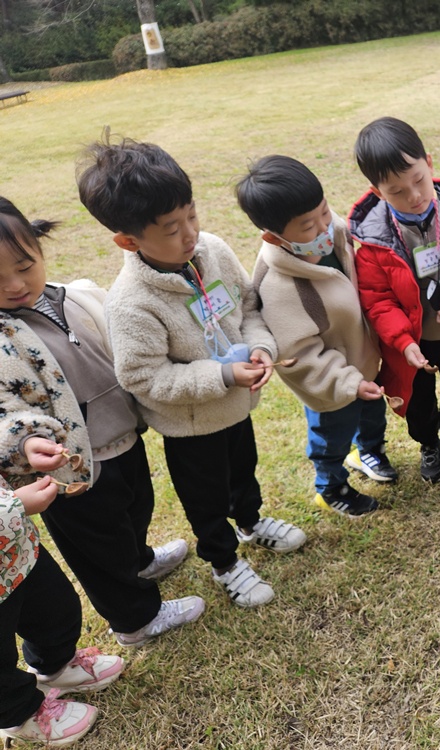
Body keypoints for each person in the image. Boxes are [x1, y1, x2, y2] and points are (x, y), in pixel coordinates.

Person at [76, 135, 306, 609]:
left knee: (243, 469)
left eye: (192, 216)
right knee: (206, 498)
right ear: (128, 240)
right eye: (171, 228)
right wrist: (221, 377)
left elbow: (248, 305)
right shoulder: (131, 303)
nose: (189, 235)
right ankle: (223, 560)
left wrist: (260, 347)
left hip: (237, 406)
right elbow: (144, 378)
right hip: (191, 425)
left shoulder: (213, 250)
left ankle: (250, 521)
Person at [0, 197, 204, 646]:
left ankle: (140, 559)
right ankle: (135, 619)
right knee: (99, 547)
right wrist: (26, 442)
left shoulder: (73, 295)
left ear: (38, 247)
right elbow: (4, 412)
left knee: (134, 509)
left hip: (122, 437)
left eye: (24, 266)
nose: (15, 285)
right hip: (69, 468)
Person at [237, 155, 391, 517]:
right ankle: (330, 486)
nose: (324, 227)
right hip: (331, 383)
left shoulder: (334, 233)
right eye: (308, 226)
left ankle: (367, 451)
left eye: (324, 211)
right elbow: (300, 357)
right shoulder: (280, 286)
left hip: (363, 361)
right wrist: (348, 383)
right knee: (331, 436)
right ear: (273, 237)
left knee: (372, 415)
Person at [349, 117, 440, 492]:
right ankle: (429, 444)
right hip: (413, 342)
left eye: (418, 179)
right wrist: (403, 342)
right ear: (377, 192)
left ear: (429, 164)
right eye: (397, 191)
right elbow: (378, 301)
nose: (414, 195)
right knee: (418, 400)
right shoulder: (374, 242)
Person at [1, 474, 123, 746]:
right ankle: (17, 715)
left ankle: (54, 665)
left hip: (16, 549)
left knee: (54, 608)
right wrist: (14, 507)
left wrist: (22, 454)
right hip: (8, 520)